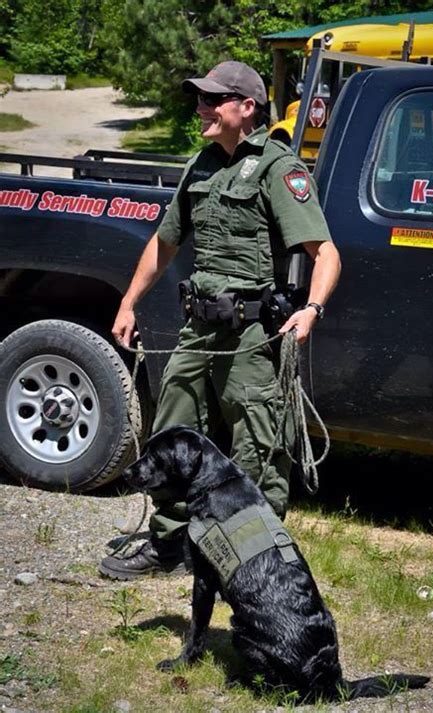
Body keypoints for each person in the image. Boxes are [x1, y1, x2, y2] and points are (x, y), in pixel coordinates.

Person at [99, 60, 341, 580]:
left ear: (245, 107)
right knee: (173, 430)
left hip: (251, 335)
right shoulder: (201, 165)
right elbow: (165, 243)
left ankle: (257, 557)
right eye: (200, 99)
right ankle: (168, 547)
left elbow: (325, 253)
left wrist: (311, 310)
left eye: (213, 100)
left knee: (258, 444)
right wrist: (128, 302)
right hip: (198, 330)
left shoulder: (279, 169)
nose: (202, 108)